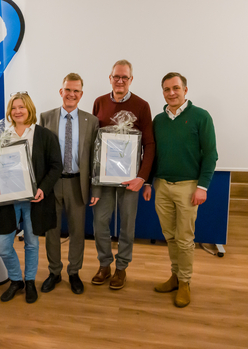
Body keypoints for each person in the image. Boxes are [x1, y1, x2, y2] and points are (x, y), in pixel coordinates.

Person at [143, 72, 217, 307]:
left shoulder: (201, 117)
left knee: (185, 239)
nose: (171, 93)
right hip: (162, 186)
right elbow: (153, 155)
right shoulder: (158, 120)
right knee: (170, 236)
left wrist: (202, 187)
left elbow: (210, 155)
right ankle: (175, 276)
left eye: (176, 88)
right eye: (166, 89)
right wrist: (147, 181)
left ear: (185, 90)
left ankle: (185, 282)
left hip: (188, 188)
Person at [91, 60, 155, 290]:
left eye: (124, 77)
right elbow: (94, 143)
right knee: (100, 222)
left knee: (127, 224)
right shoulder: (99, 102)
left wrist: (142, 177)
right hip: (104, 177)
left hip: (131, 178)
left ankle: (121, 268)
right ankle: (104, 264)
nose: (120, 81)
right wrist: (95, 180)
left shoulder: (142, 105)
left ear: (131, 80)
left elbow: (149, 143)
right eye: (116, 76)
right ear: (110, 78)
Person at [0, 92, 62, 304]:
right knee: (3, 245)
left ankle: (30, 280)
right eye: (14, 108)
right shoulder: (3, 137)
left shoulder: (45, 135)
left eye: (22, 107)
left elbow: (56, 166)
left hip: (35, 199)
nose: (18, 111)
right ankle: (16, 280)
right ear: (9, 112)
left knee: (31, 243)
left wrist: (43, 188)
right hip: (9, 199)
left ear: (29, 109)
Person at [39, 73, 99, 295]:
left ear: (81, 95)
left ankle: (74, 272)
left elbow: (95, 157)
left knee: (77, 231)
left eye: (76, 91)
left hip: (77, 184)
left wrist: (96, 188)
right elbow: (40, 154)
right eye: (68, 90)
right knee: (51, 231)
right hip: (52, 184)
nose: (71, 94)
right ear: (61, 92)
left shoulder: (91, 121)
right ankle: (54, 272)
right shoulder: (45, 118)